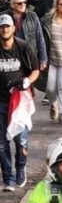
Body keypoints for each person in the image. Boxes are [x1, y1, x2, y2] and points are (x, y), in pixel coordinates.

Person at [0, 14, 39, 192]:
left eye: (7, 26)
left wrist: (27, 81)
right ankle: (8, 177)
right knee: (1, 142)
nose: (4, 29)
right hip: (0, 100)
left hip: (19, 101)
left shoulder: (23, 47)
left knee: (20, 139)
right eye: (1, 27)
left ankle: (21, 167)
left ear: (13, 28)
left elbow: (36, 70)